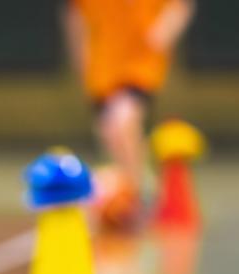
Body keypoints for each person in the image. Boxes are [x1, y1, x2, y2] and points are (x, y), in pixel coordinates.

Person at [63, 0, 195, 228]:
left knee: (123, 120)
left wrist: (165, 30)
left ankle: (138, 196)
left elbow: (180, 7)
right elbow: (75, 18)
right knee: (111, 133)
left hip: (140, 63)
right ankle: (136, 187)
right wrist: (81, 58)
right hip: (104, 67)